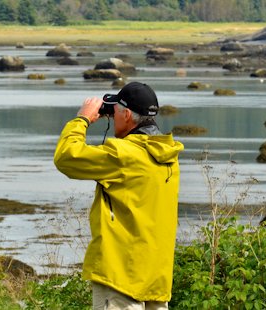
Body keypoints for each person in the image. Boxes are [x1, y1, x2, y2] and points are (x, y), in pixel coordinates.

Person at [53, 82, 184, 309]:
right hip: (155, 276)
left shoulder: (124, 155)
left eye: (114, 111)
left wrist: (81, 120)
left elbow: (66, 157)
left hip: (121, 274)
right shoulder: (168, 155)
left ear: (125, 114)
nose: (112, 117)